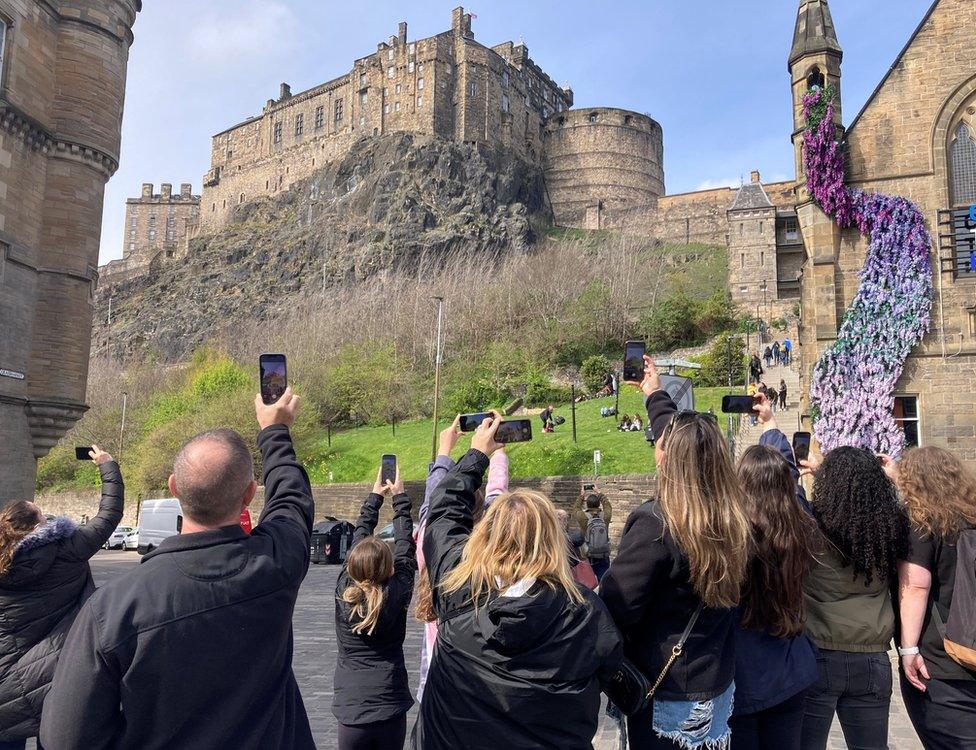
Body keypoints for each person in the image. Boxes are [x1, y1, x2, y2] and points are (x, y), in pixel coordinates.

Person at [40, 389, 316, 749]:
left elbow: (65, 738)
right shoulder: (277, 564)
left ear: (174, 488)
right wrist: (275, 431)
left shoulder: (112, 608)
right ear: (249, 495)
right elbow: (291, 501)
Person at [414, 416, 623, 749]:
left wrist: (475, 456)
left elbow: (441, 514)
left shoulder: (456, 587)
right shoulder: (584, 611)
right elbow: (614, 675)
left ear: (484, 536)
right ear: (552, 540)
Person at [601, 356, 752, 750]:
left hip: (667, 690)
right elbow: (691, 445)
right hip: (713, 680)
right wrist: (654, 392)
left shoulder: (658, 524)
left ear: (666, 457)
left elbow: (617, 607)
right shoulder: (733, 515)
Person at [0, 447, 123, 750]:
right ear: (38, 523)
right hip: (54, 674)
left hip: (5, 678)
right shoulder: (68, 548)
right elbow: (109, 514)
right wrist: (107, 465)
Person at [799, 446, 910, 750]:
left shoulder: (811, 527)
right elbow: (918, 509)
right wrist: (896, 479)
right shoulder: (888, 529)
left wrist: (819, 472)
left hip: (819, 652)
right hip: (871, 656)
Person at [730, 395, 819, 750]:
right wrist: (769, 424)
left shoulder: (730, 535)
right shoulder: (801, 523)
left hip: (743, 674)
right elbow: (786, 472)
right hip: (790, 669)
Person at [414, 415, 508, 702]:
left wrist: (445, 452)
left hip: (438, 670)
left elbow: (436, 505)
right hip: (484, 678)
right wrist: (499, 452)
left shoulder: (428, 547)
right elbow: (496, 494)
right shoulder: (492, 546)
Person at [891, 447, 976, 749]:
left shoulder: (920, 522)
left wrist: (909, 648)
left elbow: (915, 587)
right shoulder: (970, 516)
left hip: (941, 661)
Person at [333, 465, 416, 750]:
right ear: (390, 568)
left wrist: (374, 497)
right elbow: (406, 546)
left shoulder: (345, 590)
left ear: (352, 567)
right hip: (389, 703)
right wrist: (400, 500)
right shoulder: (400, 589)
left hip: (352, 708)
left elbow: (359, 539)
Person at [583, 493, 612, 582]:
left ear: (587, 504)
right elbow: (608, 506)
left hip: (589, 553)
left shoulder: (583, 517)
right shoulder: (605, 516)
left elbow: (576, 509)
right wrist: (599, 493)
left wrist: (582, 496)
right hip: (603, 552)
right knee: (604, 580)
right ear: (599, 504)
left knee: (588, 581)